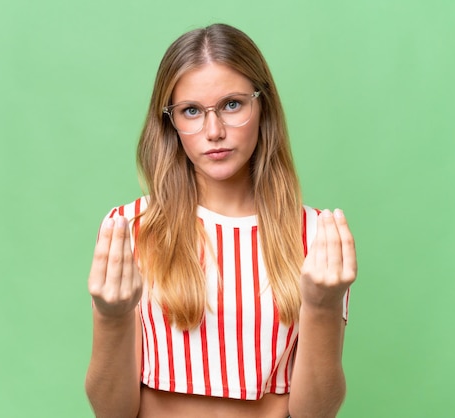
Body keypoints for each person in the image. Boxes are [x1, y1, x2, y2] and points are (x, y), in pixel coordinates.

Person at [85, 23, 357, 418]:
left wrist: (323, 306)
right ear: (170, 122)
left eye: (232, 104)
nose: (214, 131)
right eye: (191, 111)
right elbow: (111, 412)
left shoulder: (317, 237)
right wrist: (111, 318)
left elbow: (316, 413)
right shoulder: (129, 227)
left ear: (262, 105)